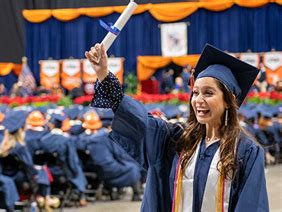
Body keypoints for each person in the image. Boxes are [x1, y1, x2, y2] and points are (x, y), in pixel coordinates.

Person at [85, 43, 268, 211]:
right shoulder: (176, 140)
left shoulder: (246, 151)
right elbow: (139, 119)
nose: (198, 100)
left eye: (208, 93)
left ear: (229, 101)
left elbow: (252, 205)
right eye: (195, 92)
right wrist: (104, 74)